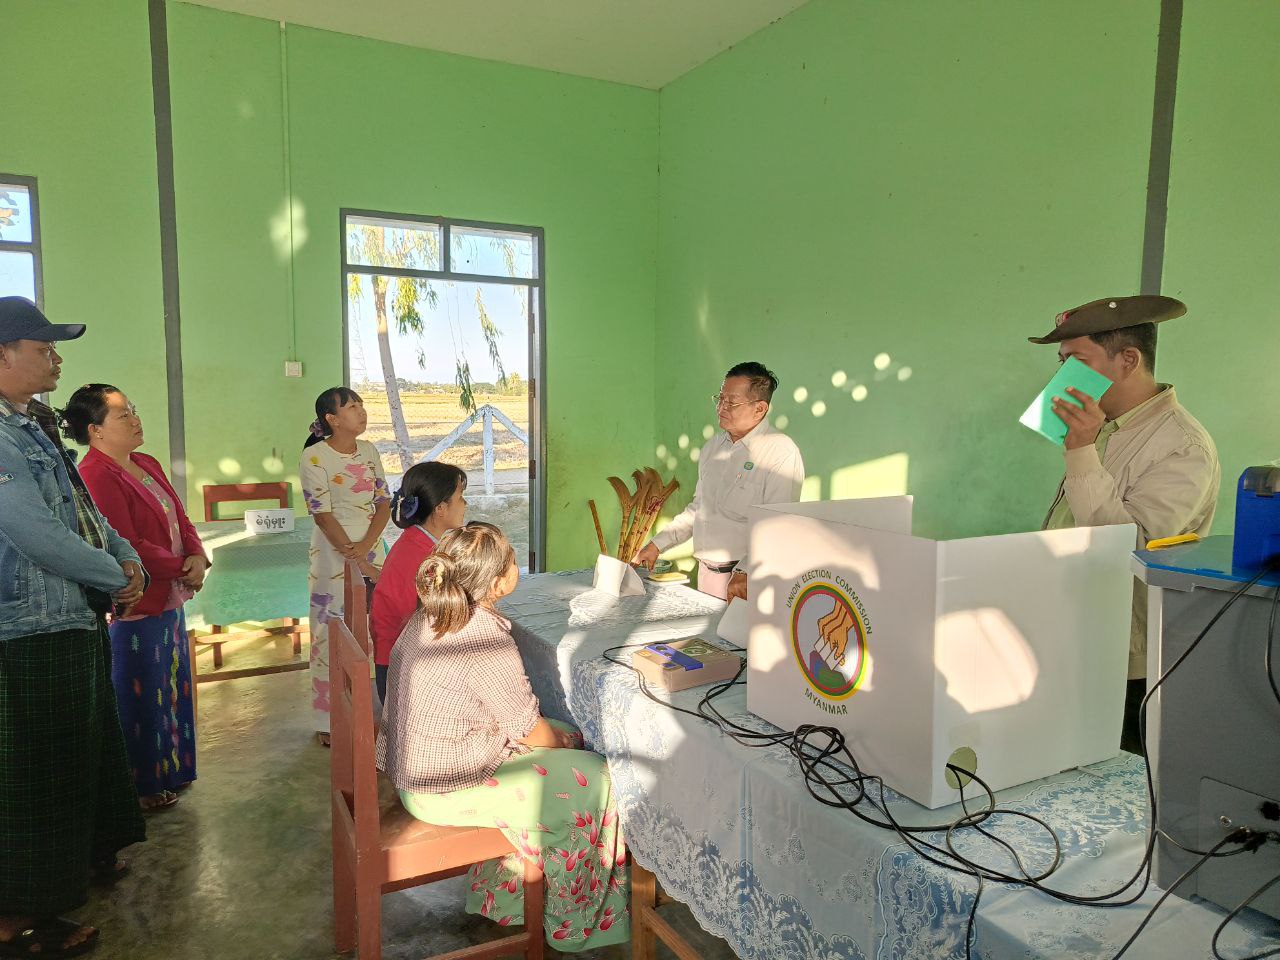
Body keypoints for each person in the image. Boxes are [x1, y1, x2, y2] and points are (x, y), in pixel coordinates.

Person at [378, 523, 630, 950]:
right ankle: (573, 926)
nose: (518, 564)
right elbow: (530, 730)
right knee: (599, 778)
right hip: (444, 788)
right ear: (497, 583)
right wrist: (562, 745)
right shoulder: (483, 638)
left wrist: (562, 740)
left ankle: (509, 897)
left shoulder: (435, 613)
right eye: (512, 560)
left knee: (570, 736)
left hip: (421, 769)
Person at [0, 297, 147, 958]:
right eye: (43, 348)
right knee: (35, 773)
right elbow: (34, 533)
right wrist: (115, 575)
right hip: (26, 626)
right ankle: (20, 915)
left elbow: (83, 511)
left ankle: (80, 861)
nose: (56, 359)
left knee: (80, 750)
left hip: (67, 615)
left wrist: (126, 557)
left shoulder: (31, 425)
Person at [1030, 295, 1220, 753]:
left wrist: (1080, 450)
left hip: (1128, 662)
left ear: (1129, 360)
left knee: (1120, 775)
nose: (1062, 378)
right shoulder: (1107, 427)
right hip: (1070, 635)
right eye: (1061, 362)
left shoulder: (1183, 446)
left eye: (1076, 362)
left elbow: (1128, 548)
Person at [68, 383, 208, 810]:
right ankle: (144, 783)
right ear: (95, 430)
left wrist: (197, 555)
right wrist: (180, 567)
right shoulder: (95, 474)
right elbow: (126, 543)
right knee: (141, 692)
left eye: (133, 410)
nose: (135, 420)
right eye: (123, 415)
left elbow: (179, 516)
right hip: (138, 601)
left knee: (172, 685)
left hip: (169, 594)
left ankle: (174, 769)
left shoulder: (145, 462)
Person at [636, 361, 805, 601]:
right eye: (720, 398)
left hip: (748, 581)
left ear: (759, 409)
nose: (721, 407)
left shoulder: (780, 452)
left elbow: (777, 526)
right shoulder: (713, 448)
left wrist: (746, 571)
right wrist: (655, 545)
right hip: (707, 575)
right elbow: (698, 509)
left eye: (731, 402)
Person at [299, 386, 390, 743]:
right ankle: (328, 721)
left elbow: (383, 502)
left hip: (370, 544)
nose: (361, 411)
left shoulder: (369, 450)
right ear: (332, 419)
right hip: (332, 551)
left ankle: (374, 709)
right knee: (331, 629)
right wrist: (356, 556)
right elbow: (321, 514)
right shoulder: (314, 457)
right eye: (352, 407)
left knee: (374, 625)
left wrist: (367, 548)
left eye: (361, 405)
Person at [370, 460, 468, 703]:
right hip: (403, 673)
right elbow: (429, 625)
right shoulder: (424, 558)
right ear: (441, 508)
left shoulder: (415, 541)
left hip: (397, 659)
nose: (465, 504)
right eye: (460, 497)